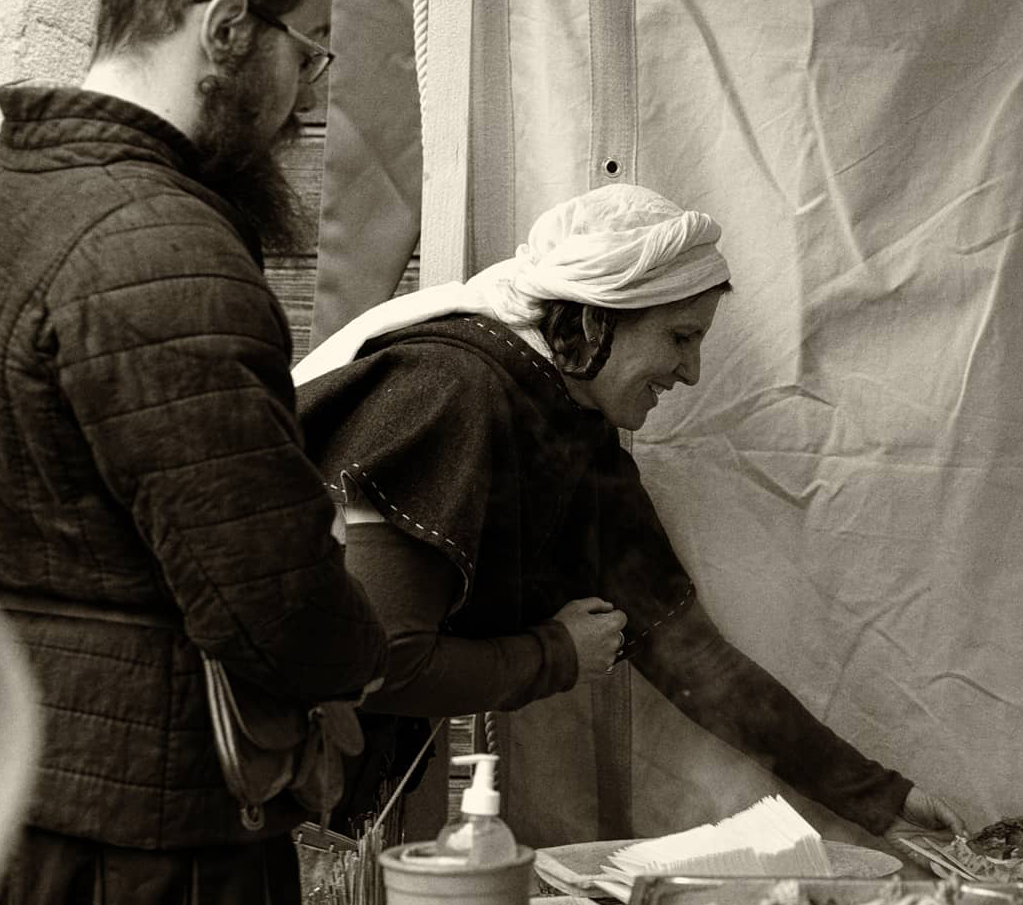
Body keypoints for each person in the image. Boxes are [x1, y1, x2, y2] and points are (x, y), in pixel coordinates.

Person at [0, 0, 388, 905]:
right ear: (222, 30)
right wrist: (361, 653)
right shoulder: (158, 246)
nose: (307, 96)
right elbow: (271, 606)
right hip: (134, 855)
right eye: (309, 53)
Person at [293, 183, 963, 851]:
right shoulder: (450, 391)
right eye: (679, 337)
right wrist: (552, 655)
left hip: (328, 784)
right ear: (593, 323)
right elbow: (379, 663)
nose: (691, 371)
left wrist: (879, 798)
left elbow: (691, 658)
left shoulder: (571, 436)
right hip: (252, 778)